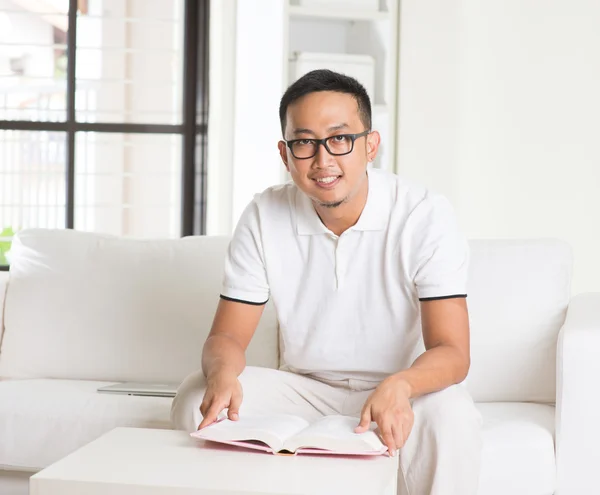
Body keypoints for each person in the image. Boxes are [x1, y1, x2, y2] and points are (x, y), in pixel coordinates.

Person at [171, 69, 482, 495]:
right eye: (304, 143)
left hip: (399, 385)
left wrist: (401, 384)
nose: (323, 160)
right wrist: (223, 372)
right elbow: (226, 335)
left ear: (371, 144)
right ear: (285, 154)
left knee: (453, 413)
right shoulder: (264, 214)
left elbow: (453, 353)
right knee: (195, 396)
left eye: (340, 139)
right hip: (304, 386)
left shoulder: (423, 214)